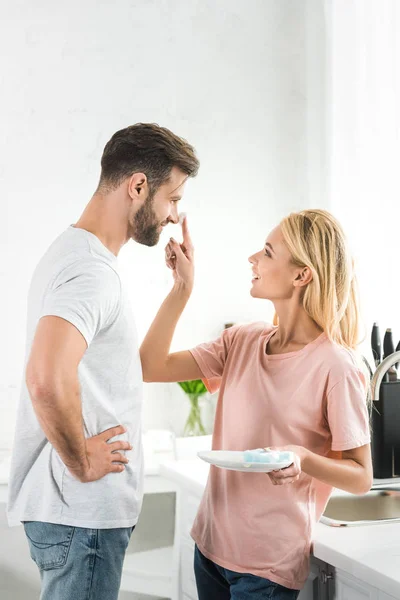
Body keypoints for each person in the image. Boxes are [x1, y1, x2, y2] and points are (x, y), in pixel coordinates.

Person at [7, 123, 199, 600]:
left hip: (76, 520)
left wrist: (181, 291)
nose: (175, 215)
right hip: (82, 519)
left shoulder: (78, 256)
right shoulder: (90, 271)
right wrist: (82, 459)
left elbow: (126, 369)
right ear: (138, 186)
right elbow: (45, 379)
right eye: (171, 199)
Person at [140, 209, 373, 600]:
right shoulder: (242, 341)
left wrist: (303, 458)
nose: (253, 259)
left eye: (267, 251)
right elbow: (151, 365)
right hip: (210, 547)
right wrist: (181, 288)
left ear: (302, 275)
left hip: (265, 567)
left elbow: (361, 477)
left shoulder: (336, 365)